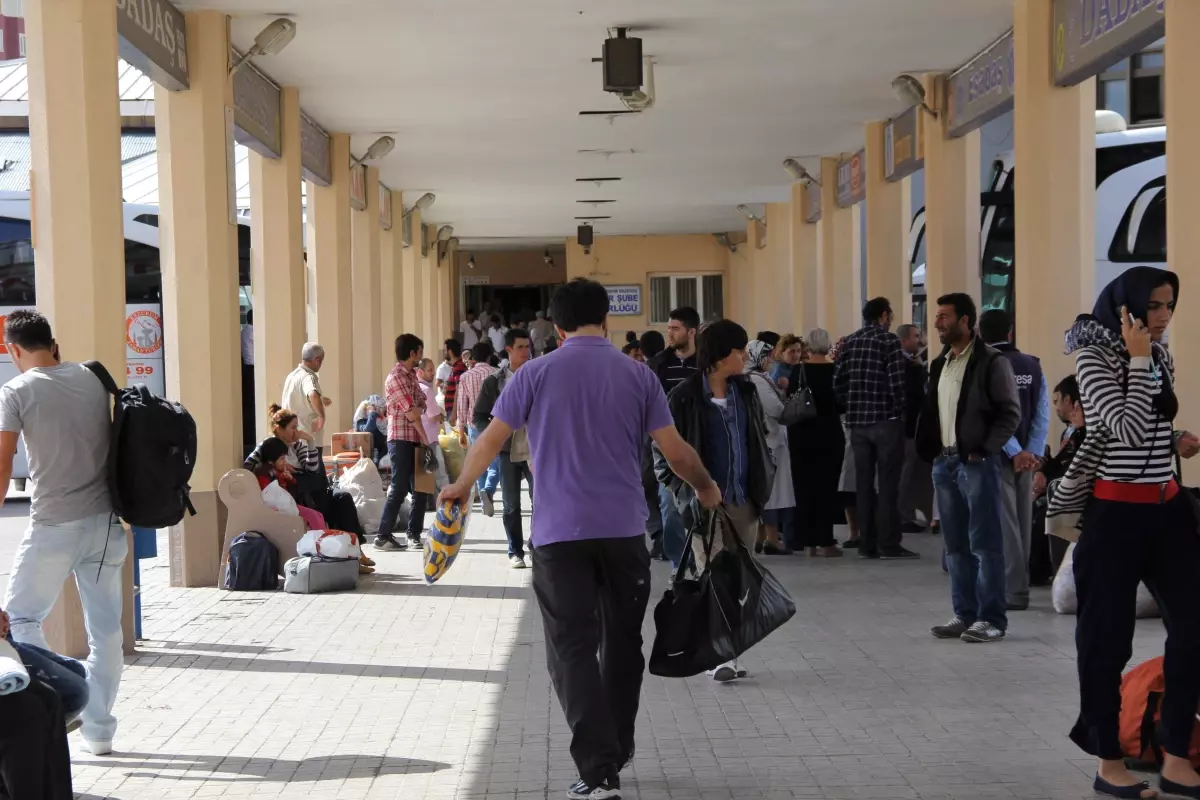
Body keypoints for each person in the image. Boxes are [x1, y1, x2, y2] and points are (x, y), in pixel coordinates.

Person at [438, 278, 719, 800]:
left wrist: (459, 486)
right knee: (623, 644)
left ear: (558, 326)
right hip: (624, 534)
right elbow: (675, 450)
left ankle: (598, 767)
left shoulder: (533, 374)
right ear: (606, 319)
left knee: (571, 647)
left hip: (557, 535)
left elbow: (491, 440)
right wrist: (706, 487)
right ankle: (617, 745)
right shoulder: (638, 375)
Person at [1044, 268, 1200, 799]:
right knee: (1106, 640)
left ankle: (1177, 753)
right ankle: (1110, 761)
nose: (1164, 316)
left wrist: (1175, 436)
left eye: (1170, 305)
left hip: (1169, 509)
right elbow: (1125, 426)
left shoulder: (1159, 354)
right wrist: (1136, 356)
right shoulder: (1095, 358)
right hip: (1115, 517)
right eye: (1155, 306)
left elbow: (1148, 426)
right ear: (1128, 308)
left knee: (1194, 625)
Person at [0, 309, 126, 755]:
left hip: (54, 524)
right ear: (52, 342)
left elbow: (2, 462)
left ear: (12, 349)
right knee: (107, 632)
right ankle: (100, 731)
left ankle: (65, 693)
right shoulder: (93, 379)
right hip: (107, 524)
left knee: (18, 621)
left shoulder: (16, 390)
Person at [656, 320, 774, 683]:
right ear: (723, 356)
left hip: (744, 501)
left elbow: (756, 439)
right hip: (706, 508)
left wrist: (763, 479)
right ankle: (721, 656)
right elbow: (663, 456)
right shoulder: (685, 397)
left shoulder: (747, 393)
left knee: (739, 581)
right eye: (740, 351)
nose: (745, 357)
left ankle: (729, 650)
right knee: (716, 580)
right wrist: (685, 493)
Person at [917, 293, 1021, 645]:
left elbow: (1010, 413)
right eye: (937, 317)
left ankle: (991, 619)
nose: (937, 324)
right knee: (955, 545)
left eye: (944, 317)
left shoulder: (991, 362)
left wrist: (984, 449)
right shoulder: (940, 364)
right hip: (944, 464)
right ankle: (965, 614)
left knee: (985, 543)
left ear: (965, 320)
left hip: (975, 463)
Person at [979, 309, 1050, 612]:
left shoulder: (985, 364)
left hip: (999, 455)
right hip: (1028, 458)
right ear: (1010, 332)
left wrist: (1013, 450)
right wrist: (1031, 450)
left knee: (1004, 524)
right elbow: (1043, 412)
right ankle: (1020, 589)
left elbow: (990, 414)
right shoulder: (1032, 365)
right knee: (1023, 521)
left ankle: (1013, 590)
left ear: (981, 333)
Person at [834, 297, 916, 560]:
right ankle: (889, 543)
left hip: (857, 424)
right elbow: (896, 381)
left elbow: (838, 381)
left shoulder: (850, 340)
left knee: (864, 485)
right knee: (889, 484)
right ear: (883, 315)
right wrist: (899, 410)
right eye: (890, 314)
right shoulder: (888, 340)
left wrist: (851, 404)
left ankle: (866, 543)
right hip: (885, 421)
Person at [473, 328, 535, 568]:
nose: (525, 352)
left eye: (528, 346)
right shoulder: (494, 381)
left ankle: (535, 546)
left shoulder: (537, 377)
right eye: (520, 347)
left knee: (539, 501)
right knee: (511, 505)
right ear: (508, 350)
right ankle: (515, 551)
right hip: (507, 452)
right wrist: (493, 434)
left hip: (534, 451)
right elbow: (479, 415)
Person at [647, 306, 700, 569]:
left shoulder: (705, 364)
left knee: (700, 509)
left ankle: (700, 563)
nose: (669, 333)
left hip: (700, 444)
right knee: (670, 510)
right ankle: (679, 566)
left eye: (675, 328)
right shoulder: (658, 364)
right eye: (668, 328)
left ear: (692, 331)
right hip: (667, 448)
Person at [788, 328, 845, 557]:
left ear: (807, 347)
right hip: (829, 434)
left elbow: (790, 398)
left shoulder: (798, 371)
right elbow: (842, 403)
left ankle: (808, 542)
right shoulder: (836, 371)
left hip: (801, 434)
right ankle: (826, 541)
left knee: (804, 487)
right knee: (827, 487)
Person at [376, 334, 430, 551]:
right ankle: (382, 535)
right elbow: (411, 412)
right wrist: (425, 437)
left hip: (416, 437)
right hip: (401, 439)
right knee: (398, 488)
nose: (421, 356)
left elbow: (422, 403)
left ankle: (414, 534)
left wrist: (418, 409)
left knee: (422, 488)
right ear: (412, 353)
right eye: (420, 352)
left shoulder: (411, 376)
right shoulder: (396, 377)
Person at [744, 339, 794, 555]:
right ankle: (772, 540)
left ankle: (761, 537)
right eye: (768, 356)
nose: (771, 361)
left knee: (767, 493)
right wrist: (785, 400)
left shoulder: (754, 378)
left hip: (766, 442)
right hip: (770, 444)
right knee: (772, 493)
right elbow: (775, 409)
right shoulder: (757, 380)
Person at [896, 323, 933, 533]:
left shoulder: (911, 361)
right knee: (906, 473)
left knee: (916, 473)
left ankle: (915, 512)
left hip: (915, 427)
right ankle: (903, 515)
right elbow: (913, 395)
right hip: (908, 427)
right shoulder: (906, 365)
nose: (920, 340)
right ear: (904, 340)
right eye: (916, 336)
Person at [458, 341, 500, 516]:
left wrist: (461, 429)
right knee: (496, 460)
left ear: (473, 358)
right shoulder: (496, 374)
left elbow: (462, 404)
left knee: (479, 460)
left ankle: (484, 495)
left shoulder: (466, 377)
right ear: (490, 356)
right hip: (496, 423)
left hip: (473, 424)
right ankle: (488, 490)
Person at [639, 330, 668, 559]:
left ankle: (659, 536)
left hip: (648, 441)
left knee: (648, 488)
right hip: (671, 436)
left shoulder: (642, 372)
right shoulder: (674, 366)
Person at [282, 342, 331, 456]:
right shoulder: (308, 377)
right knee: (315, 472)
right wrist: (321, 416)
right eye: (321, 362)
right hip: (307, 439)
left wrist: (321, 400)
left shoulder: (292, 376)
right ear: (317, 360)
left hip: (291, 437)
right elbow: (312, 394)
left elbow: (303, 398)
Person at [353, 394, 387, 464]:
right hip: (370, 459)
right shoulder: (361, 421)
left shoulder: (380, 421)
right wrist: (372, 413)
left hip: (382, 456)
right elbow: (368, 429)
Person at [441, 339, 468, 429]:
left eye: (445, 350)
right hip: (453, 409)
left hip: (455, 410)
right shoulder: (456, 367)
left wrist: (454, 412)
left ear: (450, 351)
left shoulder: (458, 367)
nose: (444, 352)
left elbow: (459, 390)